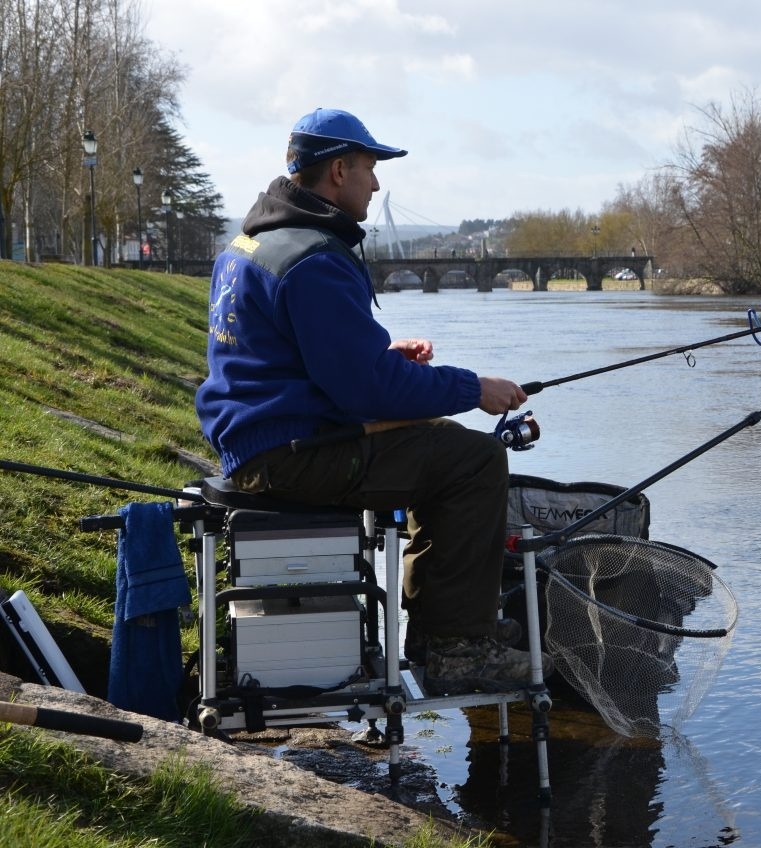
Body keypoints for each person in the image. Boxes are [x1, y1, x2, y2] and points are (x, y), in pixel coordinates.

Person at [195, 107, 545, 692]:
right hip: (294, 454)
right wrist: (473, 389)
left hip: (258, 440)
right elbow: (367, 391)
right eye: (369, 168)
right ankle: (455, 648)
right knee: (473, 461)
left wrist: (382, 354)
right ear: (337, 171)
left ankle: (444, 630)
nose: (377, 183)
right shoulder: (313, 258)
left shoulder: (251, 243)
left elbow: (286, 352)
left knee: (436, 443)